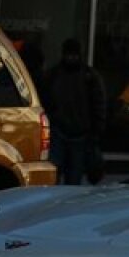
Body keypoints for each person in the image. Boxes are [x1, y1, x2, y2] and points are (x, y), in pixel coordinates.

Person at [43, 39, 107, 185]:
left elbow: (98, 105)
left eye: (74, 55)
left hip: (77, 133)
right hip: (61, 131)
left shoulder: (88, 77)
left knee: (71, 176)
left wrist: (96, 130)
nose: (71, 58)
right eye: (69, 55)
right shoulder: (55, 76)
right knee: (61, 175)